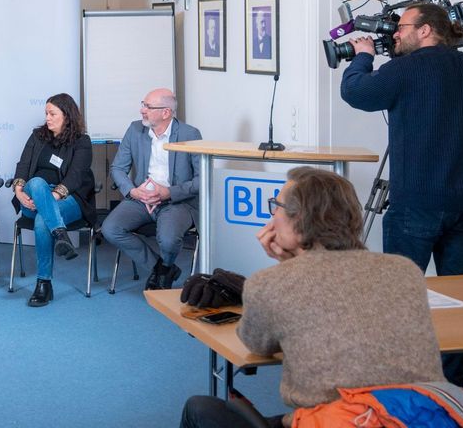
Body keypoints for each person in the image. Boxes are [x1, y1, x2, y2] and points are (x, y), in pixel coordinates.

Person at [341, 2, 463, 386]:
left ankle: (400, 383)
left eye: (403, 27)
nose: (395, 33)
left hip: (417, 206)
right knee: (458, 304)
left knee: (400, 302)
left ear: (426, 30)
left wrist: (362, 57)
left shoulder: (405, 70)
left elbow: (356, 92)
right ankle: (452, 388)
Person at [179, 167, 445, 428]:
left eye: (277, 206)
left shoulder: (271, 284)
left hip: (340, 422)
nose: (272, 215)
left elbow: (257, 343)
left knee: (200, 409)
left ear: (299, 220)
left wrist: (286, 267)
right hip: (421, 417)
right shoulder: (404, 270)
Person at [102, 88, 200, 290]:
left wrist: (169, 192)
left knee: (168, 240)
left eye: (148, 106)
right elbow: (118, 168)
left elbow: (201, 180)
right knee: (110, 229)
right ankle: (162, 269)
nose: (142, 110)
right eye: (143, 104)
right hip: (140, 198)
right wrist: (132, 191)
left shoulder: (190, 134)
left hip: (176, 202)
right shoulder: (135, 129)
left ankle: (165, 265)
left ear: (166, 112)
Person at [10, 93, 95, 307]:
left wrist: (52, 197)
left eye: (52, 113)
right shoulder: (37, 136)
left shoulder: (82, 142)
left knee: (42, 220)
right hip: (32, 197)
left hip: (68, 198)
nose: (47, 118)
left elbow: (76, 175)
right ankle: (60, 233)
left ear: (67, 116)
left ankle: (43, 284)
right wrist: (20, 192)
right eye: (46, 113)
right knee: (37, 182)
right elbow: (22, 165)